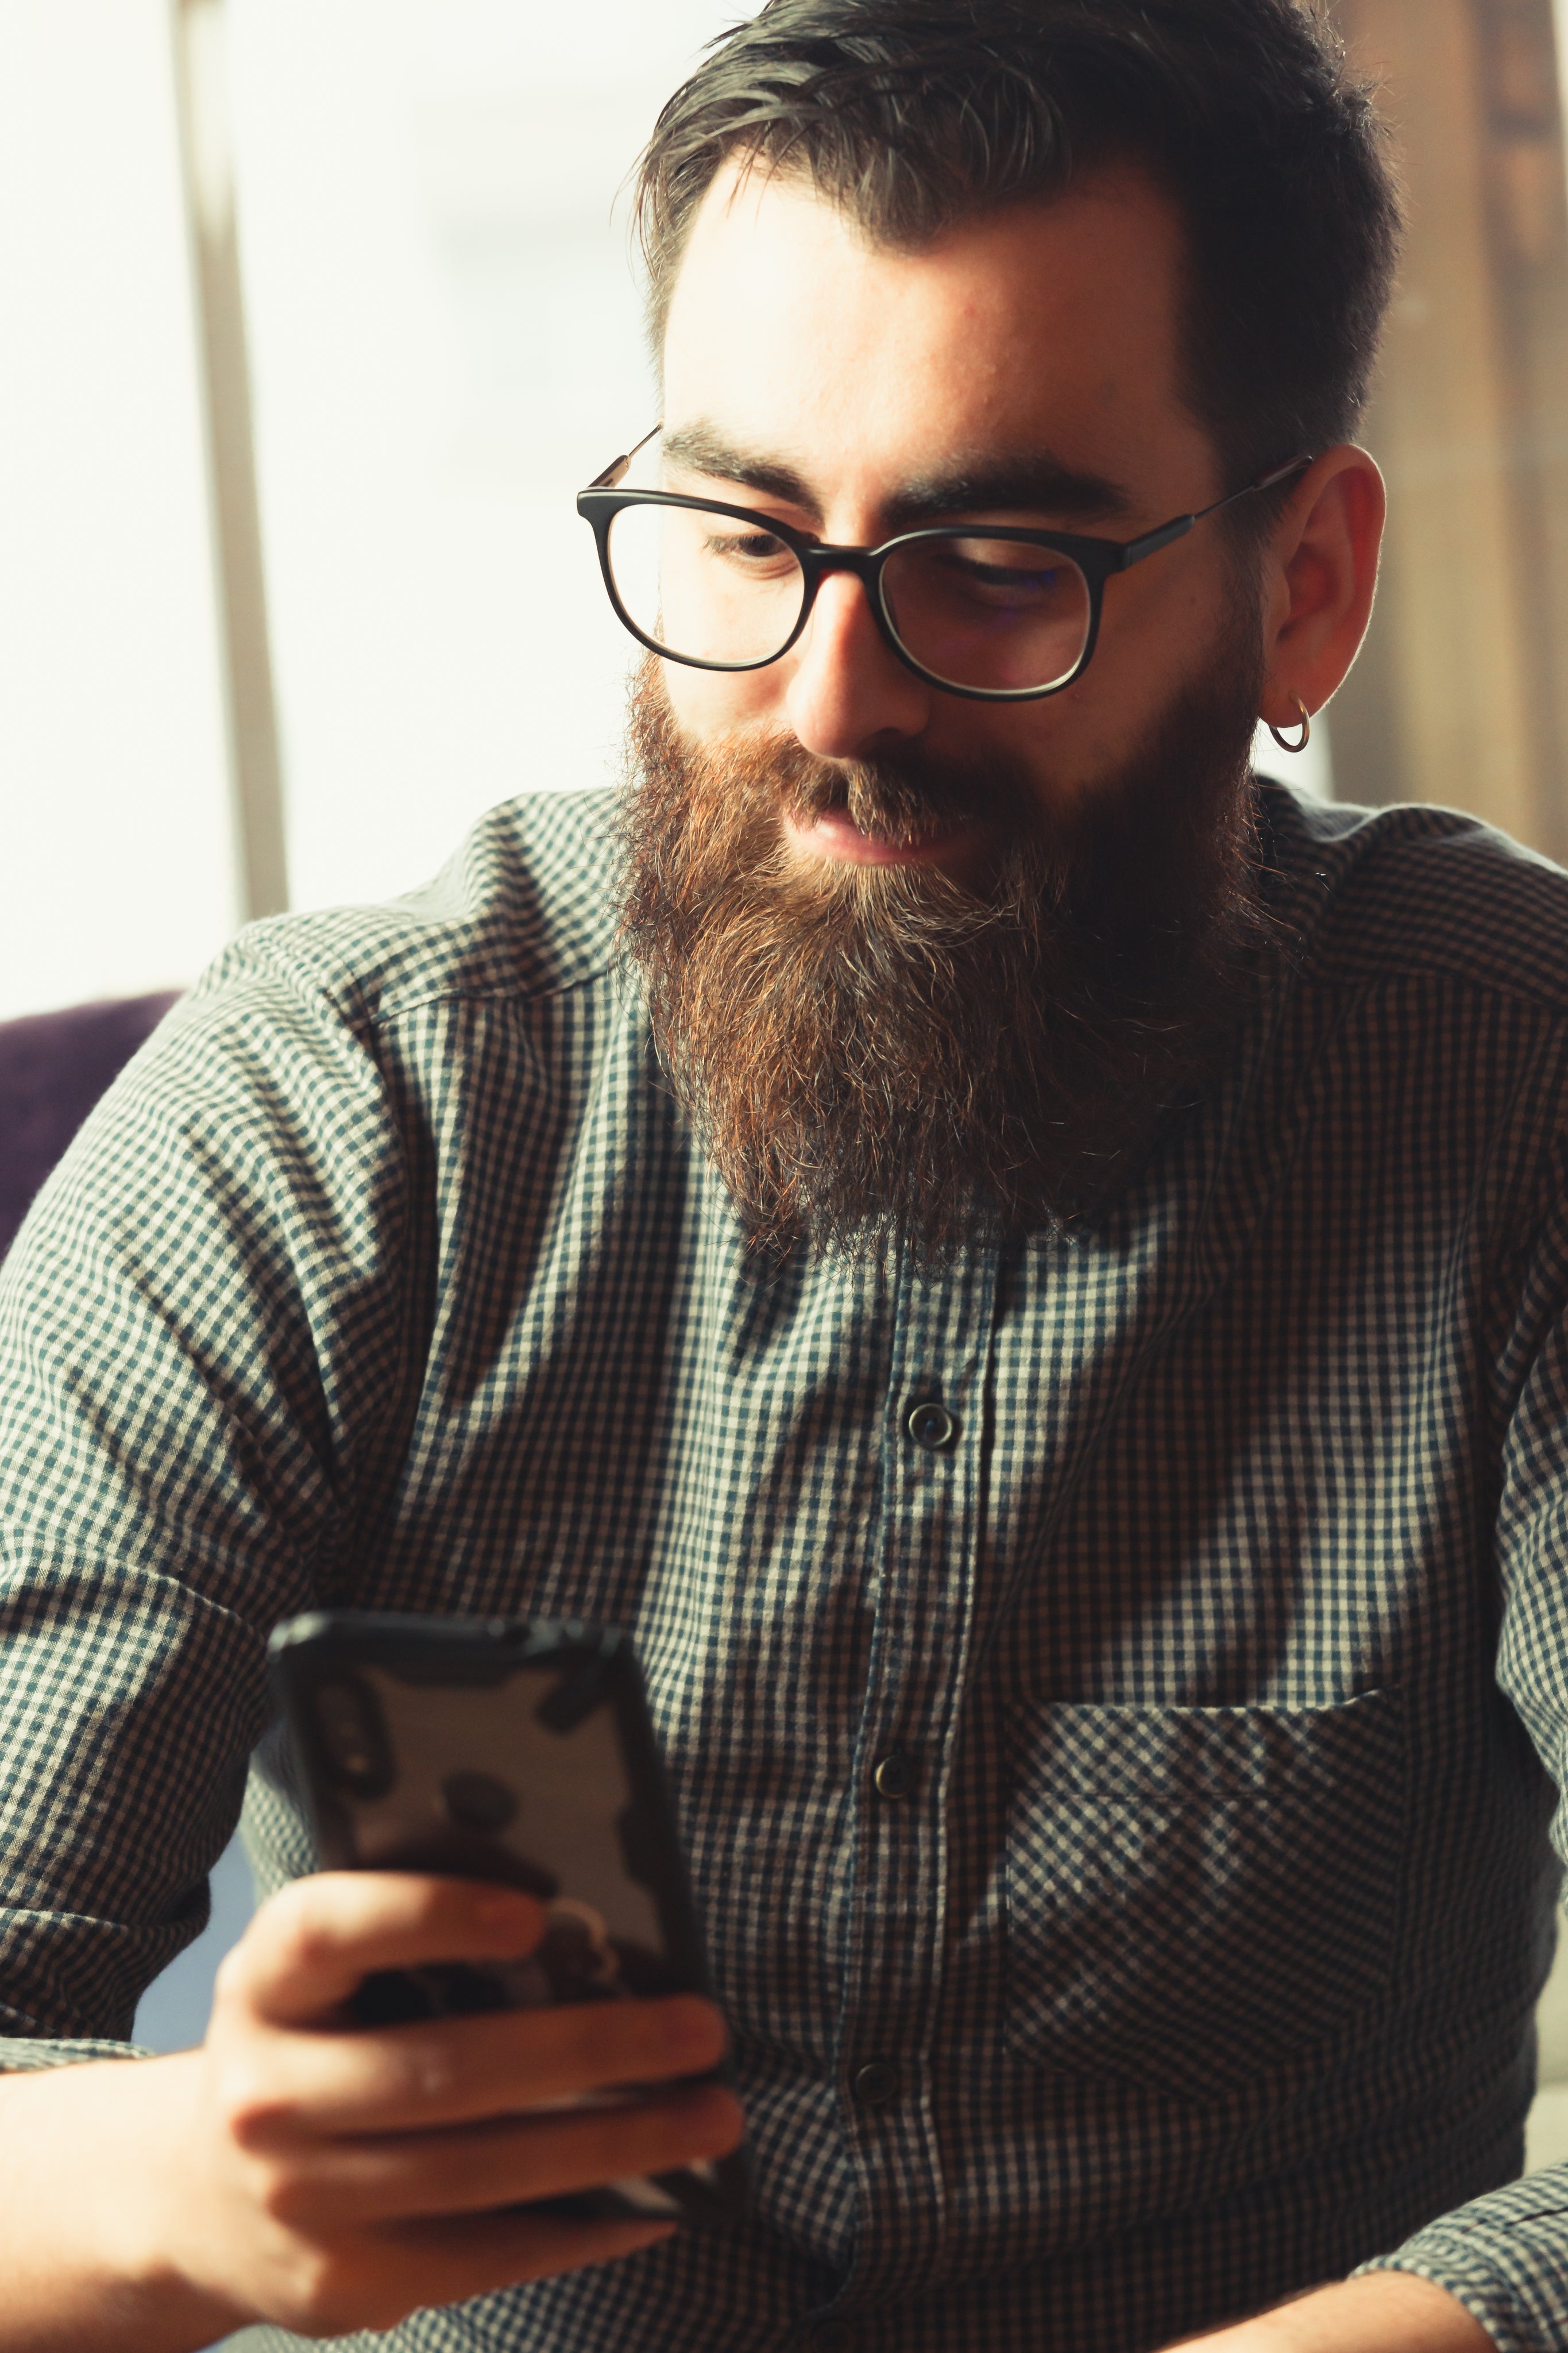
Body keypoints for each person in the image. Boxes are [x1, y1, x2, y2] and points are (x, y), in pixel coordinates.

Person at [0, 0, 1564, 2344]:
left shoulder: (1514, 1081)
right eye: (740, 528)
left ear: (1302, 590)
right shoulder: (335, 1107)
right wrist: (191, 2180)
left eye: (1000, 560)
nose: (828, 697)